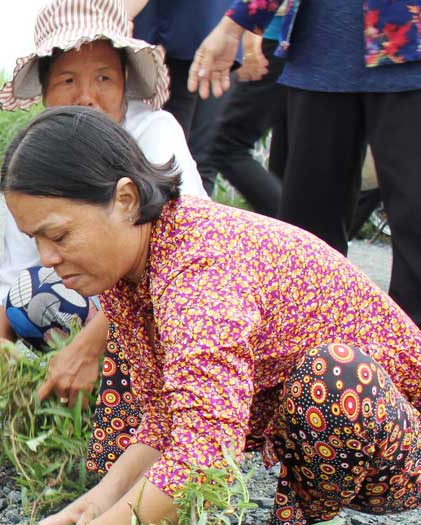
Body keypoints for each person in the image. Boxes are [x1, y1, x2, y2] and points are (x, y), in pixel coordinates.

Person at [0, 106, 421, 525]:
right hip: (316, 425)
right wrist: (102, 498)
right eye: (36, 240)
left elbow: (204, 452)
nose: (47, 259)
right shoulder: (128, 270)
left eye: (59, 234)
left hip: (398, 445)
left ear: (125, 199)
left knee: (332, 374)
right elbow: (168, 415)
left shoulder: (202, 269)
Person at [0, 0, 204, 425]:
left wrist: (88, 346)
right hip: (94, 304)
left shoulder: (156, 132)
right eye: (68, 80)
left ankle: (159, 404)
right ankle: (88, 401)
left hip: (164, 304)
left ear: (125, 83)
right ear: (46, 92)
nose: (86, 97)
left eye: (104, 77)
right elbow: (13, 276)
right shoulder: (36, 159)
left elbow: (187, 261)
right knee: (29, 297)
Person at [190, 0, 421, 326]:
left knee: (416, 225)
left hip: (409, 46)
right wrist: (233, 26)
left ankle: (408, 361)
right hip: (318, 52)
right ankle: (309, 359)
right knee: (308, 239)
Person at [128, 0, 234, 194]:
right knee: (197, 157)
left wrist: (121, 14)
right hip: (205, 24)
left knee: (167, 164)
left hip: (169, 31)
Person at [204, 14, 289, 218]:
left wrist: (251, 40)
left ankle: (292, 231)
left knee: (226, 145)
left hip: (274, 35)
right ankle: (294, 236)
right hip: (297, 40)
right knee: (286, 152)